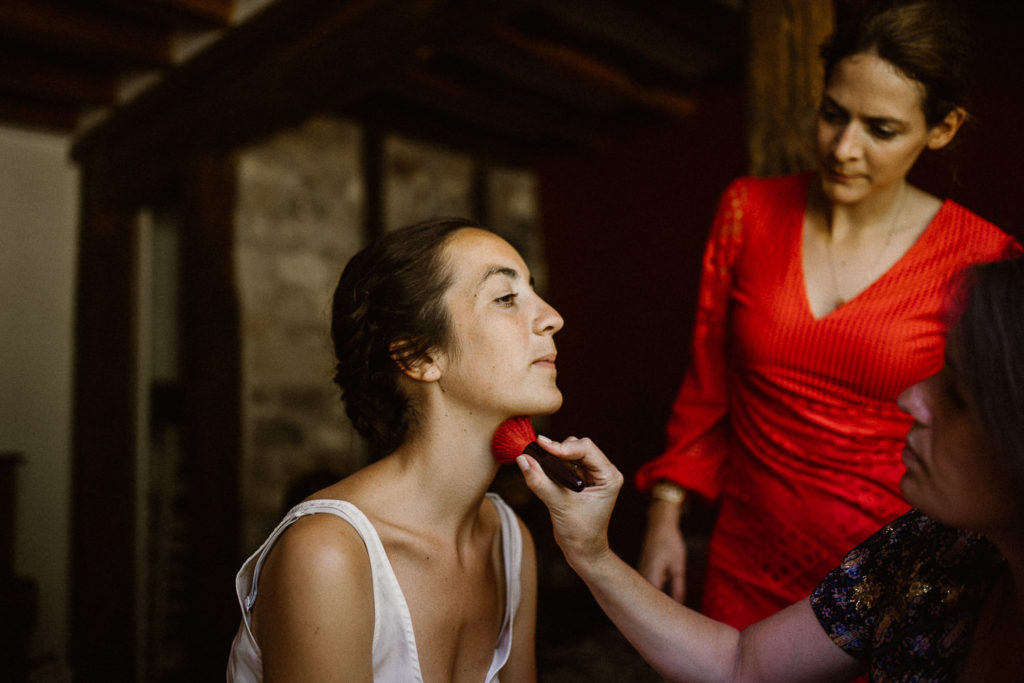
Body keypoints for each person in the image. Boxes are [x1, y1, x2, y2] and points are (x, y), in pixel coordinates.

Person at [635, 0, 1021, 628]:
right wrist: (665, 515)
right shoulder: (749, 211)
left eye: (881, 129)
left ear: (943, 128)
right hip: (746, 564)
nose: (844, 147)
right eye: (833, 114)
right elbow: (707, 381)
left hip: (896, 579)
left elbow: (996, 435)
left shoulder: (985, 260)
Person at [520, 256, 1024, 681]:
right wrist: (591, 552)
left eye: (957, 397)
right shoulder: (934, 548)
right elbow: (742, 665)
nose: (909, 397)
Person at [226, 217, 565, 682]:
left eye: (531, 291)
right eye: (506, 298)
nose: (552, 317)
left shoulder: (510, 541)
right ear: (419, 357)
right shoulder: (327, 554)